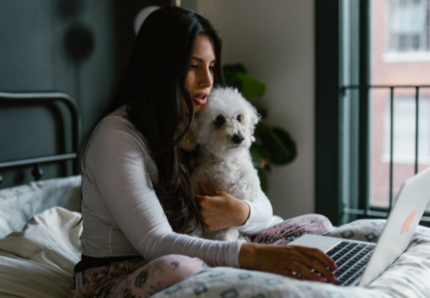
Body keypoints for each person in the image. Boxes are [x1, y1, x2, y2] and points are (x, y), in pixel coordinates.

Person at [69, 7, 337, 298]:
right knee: (180, 270)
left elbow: (264, 206)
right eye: (193, 66)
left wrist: (241, 213)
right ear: (161, 66)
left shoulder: (195, 123)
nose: (208, 81)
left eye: (210, 67)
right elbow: (154, 241)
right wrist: (249, 255)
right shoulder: (117, 136)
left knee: (315, 226)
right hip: (119, 276)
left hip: (194, 256)